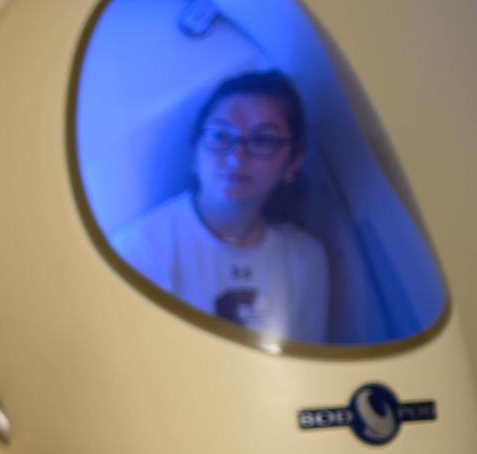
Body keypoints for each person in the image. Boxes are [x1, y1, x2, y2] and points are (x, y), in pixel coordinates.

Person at [112, 69, 330, 343]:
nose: (236, 157)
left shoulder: (304, 258)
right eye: (220, 136)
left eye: (262, 140)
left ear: (294, 161)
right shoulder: (141, 248)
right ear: (195, 149)